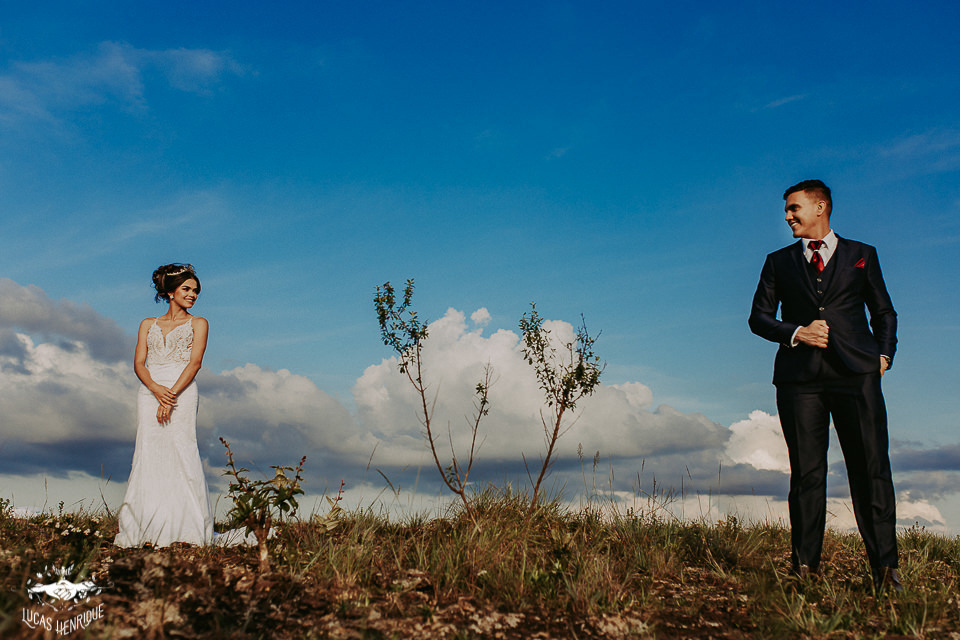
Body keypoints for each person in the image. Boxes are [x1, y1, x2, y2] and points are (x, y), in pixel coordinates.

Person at [749, 180, 901, 592]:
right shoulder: (778, 261)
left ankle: (886, 572)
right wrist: (797, 331)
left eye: (794, 208)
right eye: (786, 210)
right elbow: (759, 318)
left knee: (871, 471)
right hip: (800, 382)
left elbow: (884, 311)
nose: (787, 216)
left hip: (857, 377)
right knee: (807, 475)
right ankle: (804, 570)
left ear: (820, 207)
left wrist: (883, 356)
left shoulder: (861, 255)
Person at [114, 264, 214, 547]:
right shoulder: (147, 324)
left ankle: (189, 528)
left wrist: (170, 396)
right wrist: (156, 390)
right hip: (149, 390)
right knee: (149, 452)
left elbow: (195, 363)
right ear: (170, 292)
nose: (193, 295)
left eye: (195, 291)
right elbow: (138, 363)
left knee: (182, 450)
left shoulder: (199, 323)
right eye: (186, 289)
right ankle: (147, 526)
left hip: (182, 390)